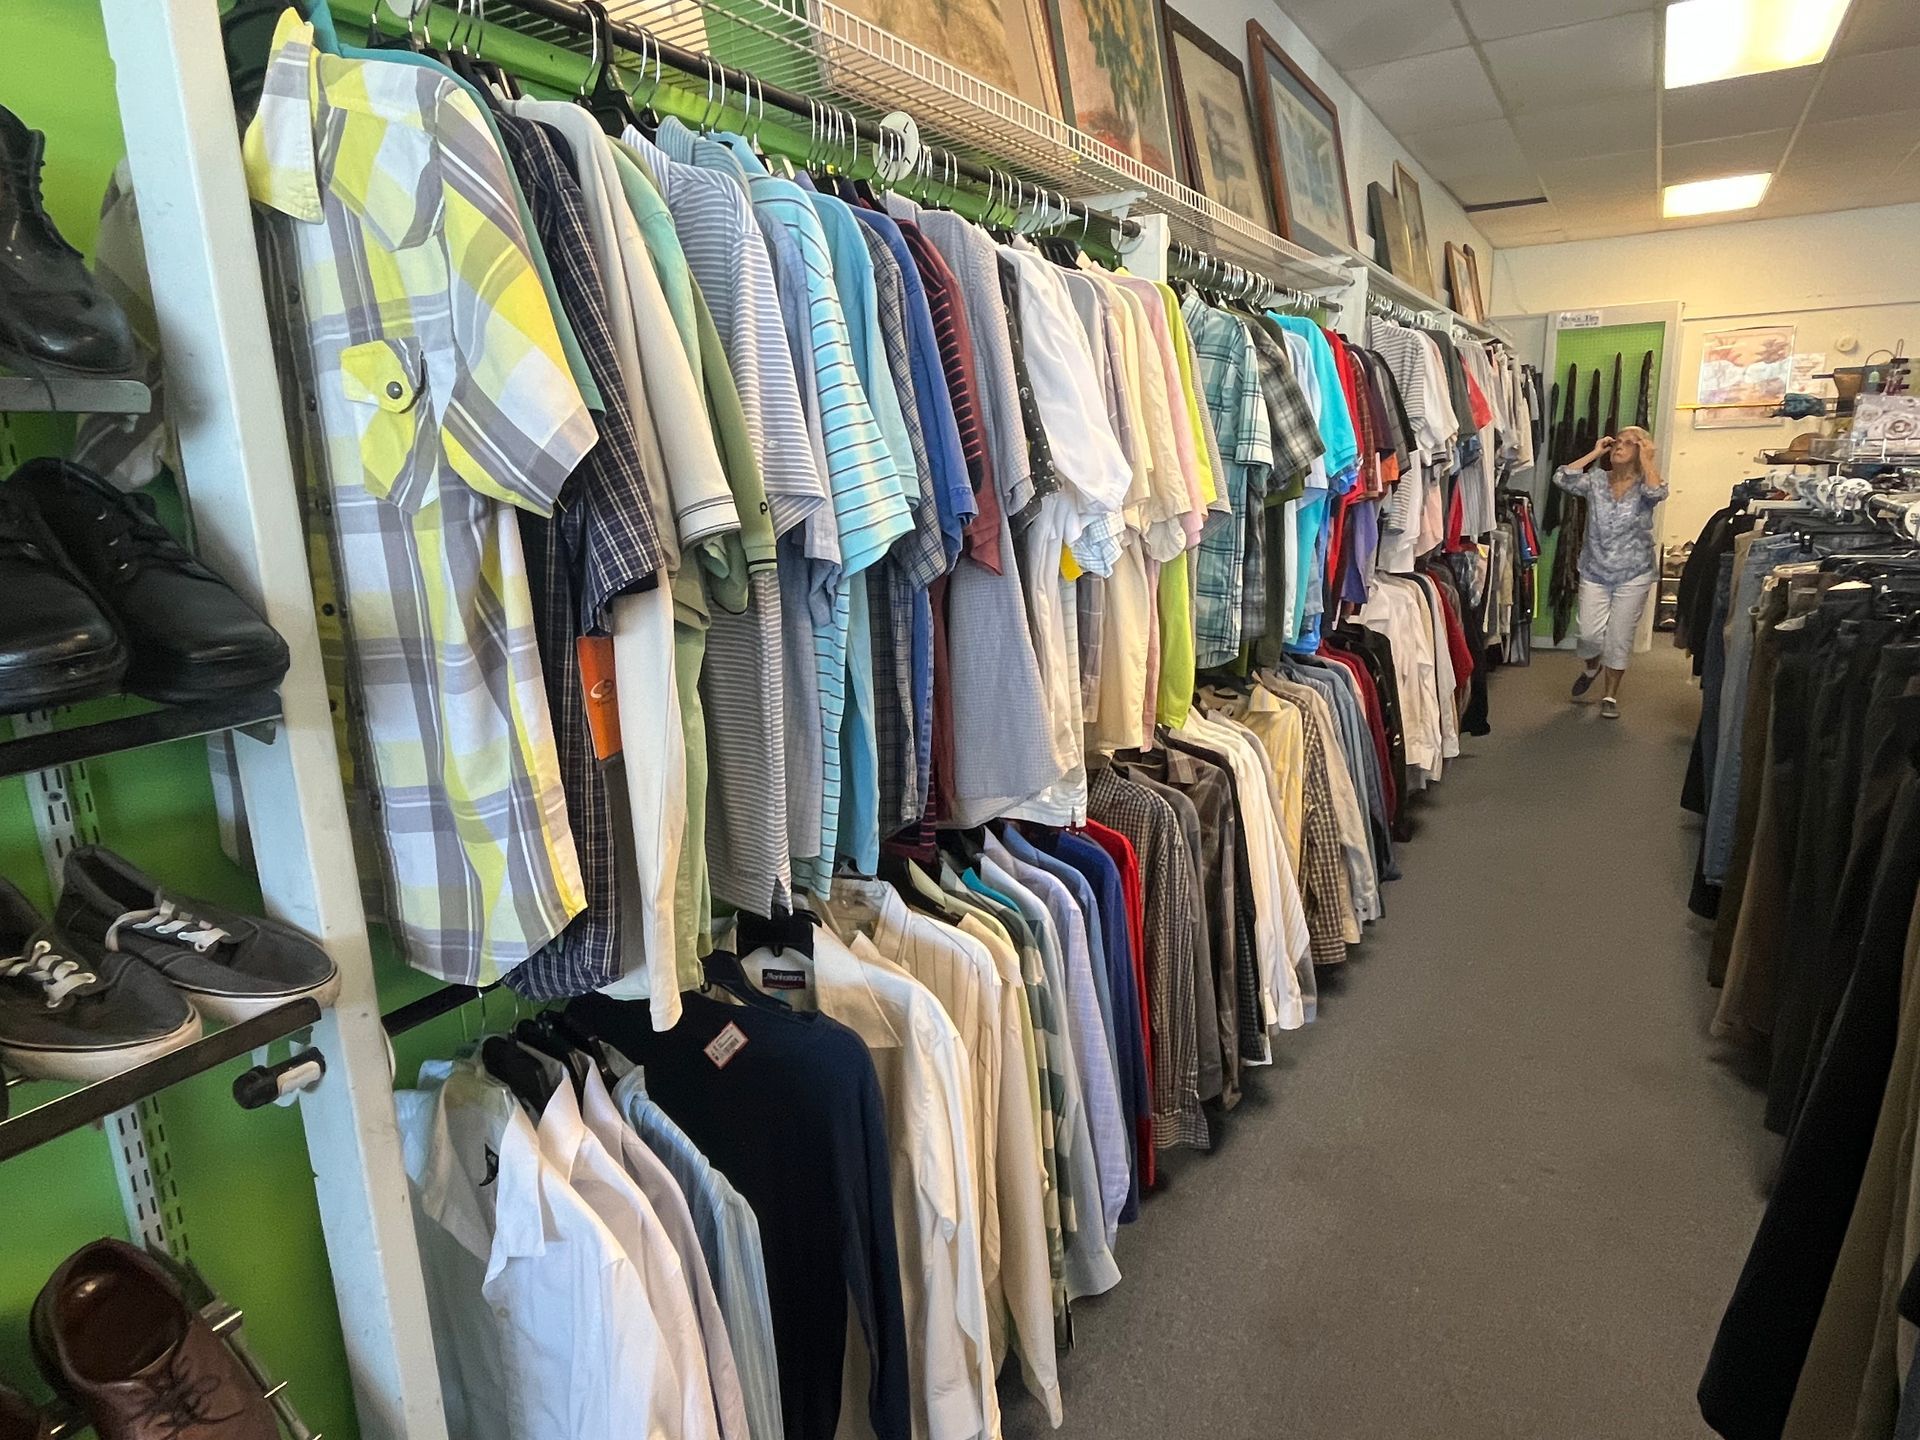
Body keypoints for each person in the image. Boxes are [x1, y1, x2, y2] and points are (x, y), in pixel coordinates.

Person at [1552, 427, 1668, 717]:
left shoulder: (1645, 484)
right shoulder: (1596, 481)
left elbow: (1657, 491)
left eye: (1629, 443)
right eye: (1617, 441)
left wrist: (1648, 459)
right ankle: (1592, 667)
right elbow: (1562, 477)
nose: (1619, 446)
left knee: (1619, 636)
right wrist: (1595, 452)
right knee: (1589, 633)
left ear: (1640, 450)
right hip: (1595, 569)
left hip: (1634, 572)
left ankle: (1610, 696)